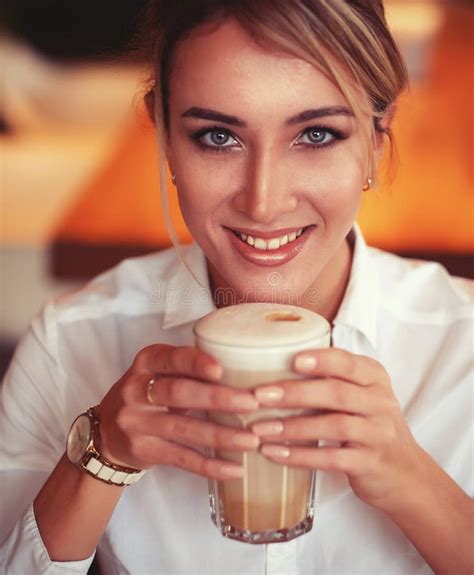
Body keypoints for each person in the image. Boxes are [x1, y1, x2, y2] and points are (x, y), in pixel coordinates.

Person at [1, 1, 472, 573]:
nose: (264, 201)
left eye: (317, 134)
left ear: (376, 140)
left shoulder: (462, 350)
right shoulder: (71, 344)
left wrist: (414, 483)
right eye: (218, 137)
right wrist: (97, 459)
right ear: (165, 137)